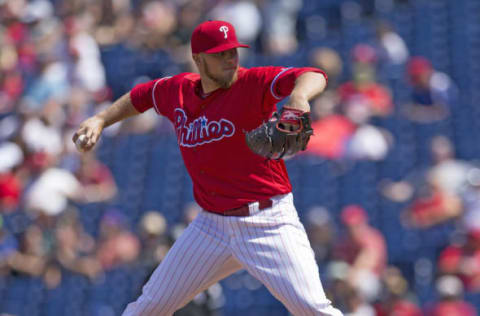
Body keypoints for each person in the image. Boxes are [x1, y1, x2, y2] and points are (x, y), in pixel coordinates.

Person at [73, 20, 342, 316]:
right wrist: (100, 119)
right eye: (220, 55)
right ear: (198, 59)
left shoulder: (252, 83)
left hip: (268, 221)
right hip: (211, 227)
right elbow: (142, 96)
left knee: (313, 308)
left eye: (233, 53)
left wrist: (300, 97)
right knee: (148, 307)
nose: (230, 60)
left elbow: (312, 74)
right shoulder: (177, 90)